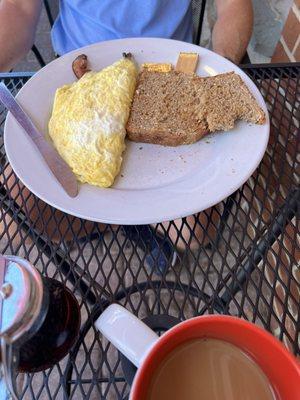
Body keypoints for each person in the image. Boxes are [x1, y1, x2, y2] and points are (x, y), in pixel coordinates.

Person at [0, 0, 253, 261]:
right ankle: (128, 222)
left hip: (167, 74)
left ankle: (126, 219)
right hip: (76, 74)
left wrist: (224, 67)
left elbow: (234, 6)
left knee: (194, 234)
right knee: (12, 217)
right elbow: (18, 8)